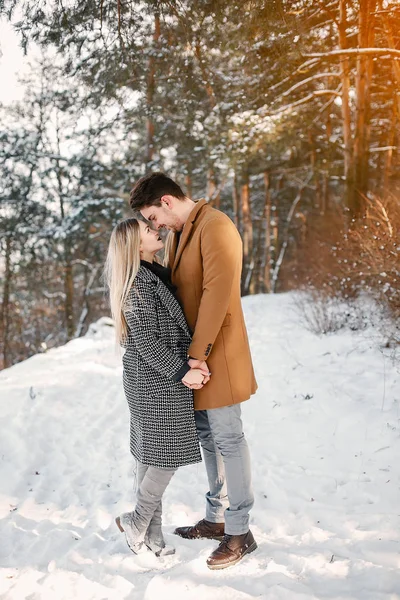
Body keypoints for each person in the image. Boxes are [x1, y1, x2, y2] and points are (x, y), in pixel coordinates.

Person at [129, 172, 258, 570]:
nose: (155, 226)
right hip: (195, 358)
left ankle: (240, 532)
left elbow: (217, 294)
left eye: (153, 216)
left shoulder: (216, 226)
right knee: (207, 439)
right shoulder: (186, 231)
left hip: (215, 354)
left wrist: (198, 355)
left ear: (166, 202)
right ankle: (217, 519)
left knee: (228, 438)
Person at [104, 217, 205, 557]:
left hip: (157, 377)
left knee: (152, 454)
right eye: (148, 231)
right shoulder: (137, 283)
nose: (156, 231)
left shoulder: (153, 275)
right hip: (153, 379)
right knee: (165, 455)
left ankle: (154, 536)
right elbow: (146, 341)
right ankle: (137, 522)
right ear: (135, 244)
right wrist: (182, 372)